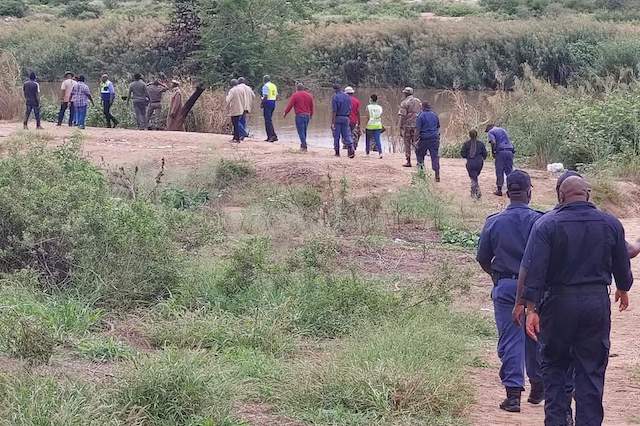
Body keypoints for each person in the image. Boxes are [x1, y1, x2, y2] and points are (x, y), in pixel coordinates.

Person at [522, 176, 633, 426]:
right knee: (591, 370)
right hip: (596, 303)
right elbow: (622, 265)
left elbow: (536, 271)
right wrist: (623, 288)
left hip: (558, 304)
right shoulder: (610, 223)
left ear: (561, 196)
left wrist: (531, 308)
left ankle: (557, 421)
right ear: (588, 194)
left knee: (555, 366)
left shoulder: (546, 224)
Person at [477, 170, 544, 413]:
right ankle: (538, 386)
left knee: (511, 337)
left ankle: (513, 394)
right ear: (529, 192)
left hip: (506, 285)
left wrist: (498, 277)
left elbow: (483, 257)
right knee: (536, 334)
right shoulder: (541, 220)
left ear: (507, 193)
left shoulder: (493, 221)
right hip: (537, 288)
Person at [283, 82, 314, 152]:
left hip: (300, 115)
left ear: (297, 88)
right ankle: (302, 146)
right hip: (307, 115)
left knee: (300, 132)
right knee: (304, 131)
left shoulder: (295, 95)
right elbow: (312, 106)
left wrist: (285, 113)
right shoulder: (309, 95)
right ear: (303, 88)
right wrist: (311, 114)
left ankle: (304, 146)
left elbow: (290, 105)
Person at [486, 124, 515, 196]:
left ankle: (499, 190)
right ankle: (510, 190)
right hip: (510, 151)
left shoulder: (491, 131)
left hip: (501, 152)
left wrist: (493, 152)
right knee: (509, 171)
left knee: (499, 171)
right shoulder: (503, 130)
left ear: (489, 128)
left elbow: (493, 142)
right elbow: (509, 140)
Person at [415, 101, 441, 182]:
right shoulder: (435, 115)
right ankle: (437, 175)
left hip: (424, 139)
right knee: (435, 156)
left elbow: (418, 130)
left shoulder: (420, 116)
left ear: (422, 107)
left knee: (419, 155)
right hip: (434, 138)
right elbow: (438, 126)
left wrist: (415, 140)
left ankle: (422, 174)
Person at [397, 87, 422, 167]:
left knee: (407, 144)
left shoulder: (404, 102)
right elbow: (421, 113)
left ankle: (408, 161)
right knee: (417, 143)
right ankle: (419, 161)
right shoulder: (418, 101)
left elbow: (402, 116)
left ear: (405, 93)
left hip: (407, 126)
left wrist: (400, 128)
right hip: (417, 126)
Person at [460, 129, 488, 199]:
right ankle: (475, 192)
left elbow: (462, 153)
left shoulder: (466, 144)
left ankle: (476, 191)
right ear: (477, 135)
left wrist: (467, 156)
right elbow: (485, 154)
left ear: (469, 135)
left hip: (470, 162)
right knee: (475, 176)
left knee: (473, 177)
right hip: (479, 162)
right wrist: (482, 158)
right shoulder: (481, 144)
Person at [331, 83, 354, 158]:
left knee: (336, 136)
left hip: (338, 117)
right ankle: (350, 149)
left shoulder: (335, 97)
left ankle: (337, 152)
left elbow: (334, 111)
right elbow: (350, 109)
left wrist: (333, 122)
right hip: (346, 118)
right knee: (346, 134)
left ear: (334, 90)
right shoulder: (347, 97)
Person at [225, 79, 245, 143]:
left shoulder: (232, 90)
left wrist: (227, 96)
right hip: (241, 109)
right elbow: (244, 99)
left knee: (235, 124)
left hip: (234, 109)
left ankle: (237, 138)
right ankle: (235, 137)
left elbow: (228, 100)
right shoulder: (242, 90)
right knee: (236, 123)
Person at [365, 94, 383, 158]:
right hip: (378, 125)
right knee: (377, 139)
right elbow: (380, 116)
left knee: (368, 139)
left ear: (371, 99)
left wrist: (365, 125)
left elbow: (367, 117)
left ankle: (367, 153)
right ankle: (380, 153)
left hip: (370, 125)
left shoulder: (368, 107)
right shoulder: (380, 107)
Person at [261, 75, 278, 142]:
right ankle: (273, 135)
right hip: (273, 102)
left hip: (267, 102)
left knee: (267, 121)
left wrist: (262, 103)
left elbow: (265, 96)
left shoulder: (265, 86)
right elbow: (277, 96)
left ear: (264, 80)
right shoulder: (274, 85)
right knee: (269, 120)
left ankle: (270, 136)